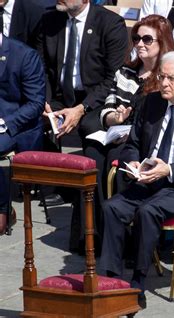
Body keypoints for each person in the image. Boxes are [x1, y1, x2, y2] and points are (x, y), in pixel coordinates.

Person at [100, 51, 174, 309]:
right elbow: (132, 143)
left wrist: (170, 170)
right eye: (161, 76)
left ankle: (138, 281)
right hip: (146, 179)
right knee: (112, 207)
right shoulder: (150, 102)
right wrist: (132, 162)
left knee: (147, 211)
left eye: (171, 78)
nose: (164, 83)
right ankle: (109, 278)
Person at [83, 14, 174, 242]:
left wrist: (128, 131)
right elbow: (108, 107)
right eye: (136, 38)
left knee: (120, 158)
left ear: (162, 41)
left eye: (147, 39)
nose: (139, 44)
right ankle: (93, 231)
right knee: (92, 156)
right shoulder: (125, 72)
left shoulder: (168, 76)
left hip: (146, 140)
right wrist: (114, 118)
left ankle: (125, 234)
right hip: (116, 132)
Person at [36, 0, 128, 207]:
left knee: (91, 127)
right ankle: (58, 184)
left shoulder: (110, 23)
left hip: (96, 97)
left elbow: (113, 77)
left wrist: (81, 108)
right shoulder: (50, 20)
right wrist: (45, 100)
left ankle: (89, 190)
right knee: (36, 119)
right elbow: (40, 66)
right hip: (58, 94)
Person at [0, 34, 45, 235]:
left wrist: (4, 123)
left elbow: (35, 103)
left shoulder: (24, 55)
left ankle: (2, 209)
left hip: (16, 124)